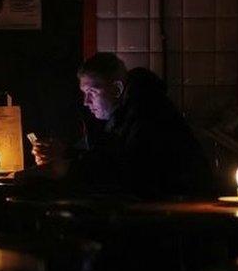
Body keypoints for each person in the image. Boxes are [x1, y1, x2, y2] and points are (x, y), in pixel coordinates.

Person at [26, 52, 213, 199]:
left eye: (92, 92)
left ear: (117, 89)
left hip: (180, 208)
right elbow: (108, 157)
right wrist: (65, 153)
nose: (85, 101)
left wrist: (67, 168)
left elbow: (131, 169)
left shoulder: (147, 111)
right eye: (84, 93)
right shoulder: (122, 114)